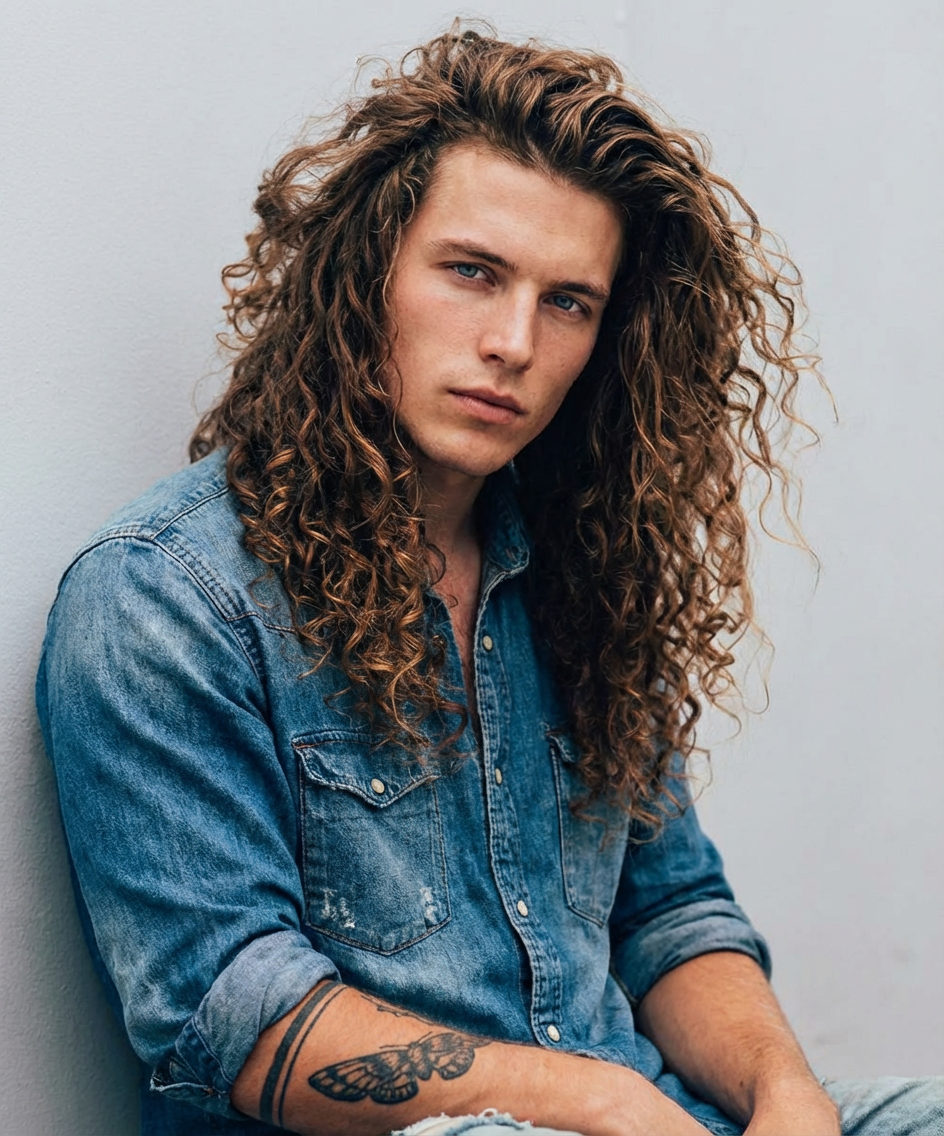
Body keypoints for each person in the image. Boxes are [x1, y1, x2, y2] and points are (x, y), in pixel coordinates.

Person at [36, 27, 941, 1136]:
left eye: (568, 302)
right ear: (364, 274)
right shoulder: (165, 597)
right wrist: (600, 1100)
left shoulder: (580, 572)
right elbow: (237, 1017)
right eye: (472, 272)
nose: (513, 341)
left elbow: (669, 914)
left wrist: (785, 1096)